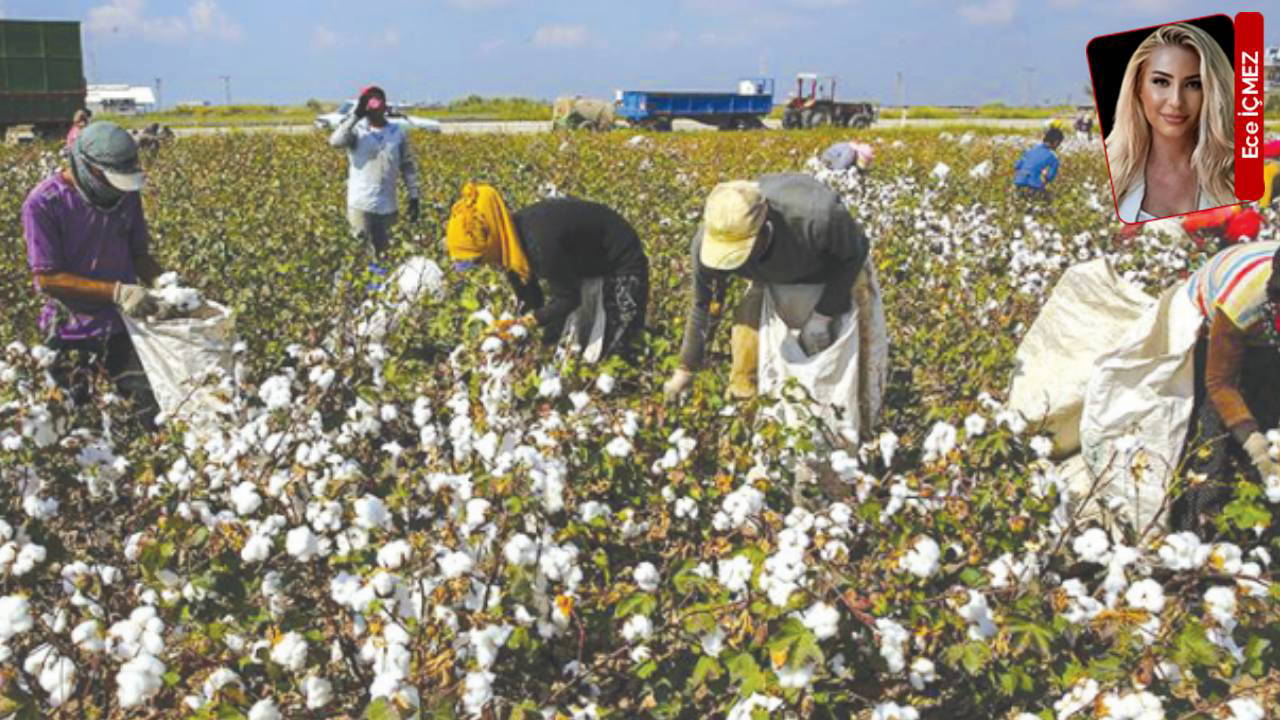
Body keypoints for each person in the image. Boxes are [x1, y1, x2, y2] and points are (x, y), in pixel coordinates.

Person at [664, 174, 872, 402]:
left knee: (842, 371)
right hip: (769, 281)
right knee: (747, 359)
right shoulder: (709, 241)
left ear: (765, 228)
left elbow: (853, 254)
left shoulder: (818, 216)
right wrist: (687, 368)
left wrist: (824, 314)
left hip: (832, 274)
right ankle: (749, 412)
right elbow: (707, 304)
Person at [20, 121, 164, 428]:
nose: (116, 188)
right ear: (87, 167)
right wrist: (118, 292)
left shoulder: (126, 196)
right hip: (70, 332)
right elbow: (48, 277)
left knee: (148, 414)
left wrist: (165, 284)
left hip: (122, 328)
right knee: (77, 423)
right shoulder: (45, 203)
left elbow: (139, 255)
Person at [445, 182, 650, 361]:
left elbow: (568, 299)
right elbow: (531, 301)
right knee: (582, 342)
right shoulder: (511, 247)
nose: (483, 266)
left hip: (621, 259)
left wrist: (530, 323)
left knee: (620, 346)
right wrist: (515, 329)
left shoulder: (540, 243)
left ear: (491, 243)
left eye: (479, 260)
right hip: (586, 262)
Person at [1174, 241, 1280, 531]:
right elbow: (1219, 382)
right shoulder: (1242, 302)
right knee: (1212, 426)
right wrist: (1258, 448)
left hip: (1262, 323)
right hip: (1208, 320)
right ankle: (1203, 521)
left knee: (1269, 397)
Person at [1105, 23, 1234, 222]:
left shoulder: (1241, 175)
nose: (1176, 101)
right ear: (1138, 87)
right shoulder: (1106, 172)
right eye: (1161, 82)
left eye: (1194, 84)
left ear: (1213, 92)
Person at [329, 85, 422, 258]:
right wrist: (356, 115)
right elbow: (335, 141)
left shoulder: (397, 133)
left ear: (384, 104)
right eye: (369, 100)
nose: (374, 104)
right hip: (360, 205)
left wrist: (414, 196)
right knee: (361, 254)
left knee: (387, 256)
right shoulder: (356, 131)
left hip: (388, 207)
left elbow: (408, 166)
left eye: (377, 99)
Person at [1013, 128, 1063, 200]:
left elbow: (1017, 165)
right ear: (1056, 142)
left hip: (1018, 183)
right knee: (1051, 199)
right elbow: (1049, 177)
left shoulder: (1031, 150)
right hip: (1034, 186)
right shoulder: (1053, 158)